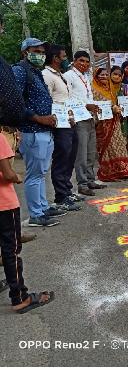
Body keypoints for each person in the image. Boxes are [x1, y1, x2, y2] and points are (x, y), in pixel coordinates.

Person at [0, 132, 54, 312]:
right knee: (11, 250)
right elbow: (7, 174)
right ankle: (20, 297)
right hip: (4, 204)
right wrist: (17, 177)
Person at [12, 38, 64, 226]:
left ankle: (42, 207)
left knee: (41, 172)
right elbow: (16, 102)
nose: (41, 55)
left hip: (45, 130)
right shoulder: (20, 71)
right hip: (32, 130)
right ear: (25, 52)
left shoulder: (36, 72)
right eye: (37, 51)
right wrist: (38, 118)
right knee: (34, 174)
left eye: (43, 52)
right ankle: (35, 214)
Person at [43, 44, 82, 211]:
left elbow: (66, 99)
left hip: (69, 120)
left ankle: (67, 189)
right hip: (59, 123)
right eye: (64, 57)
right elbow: (48, 100)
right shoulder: (47, 75)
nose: (66, 60)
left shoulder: (60, 76)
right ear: (55, 58)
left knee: (70, 155)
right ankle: (61, 196)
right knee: (61, 157)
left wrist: (71, 115)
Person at [64, 51, 106, 196]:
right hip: (79, 118)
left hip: (89, 117)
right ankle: (82, 183)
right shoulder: (69, 76)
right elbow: (67, 97)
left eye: (87, 62)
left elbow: (89, 97)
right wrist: (85, 106)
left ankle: (90, 179)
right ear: (74, 61)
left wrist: (94, 107)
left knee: (90, 152)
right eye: (81, 61)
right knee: (81, 154)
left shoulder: (86, 77)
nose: (84, 64)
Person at [91, 67, 128, 181]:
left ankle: (121, 170)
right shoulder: (93, 89)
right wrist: (111, 108)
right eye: (101, 75)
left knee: (118, 145)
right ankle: (108, 172)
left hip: (115, 121)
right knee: (107, 148)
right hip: (102, 124)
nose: (104, 77)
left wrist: (117, 108)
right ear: (96, 76)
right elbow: (95, 107)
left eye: (105, 74)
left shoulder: (110, 88)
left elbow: (115, 102)